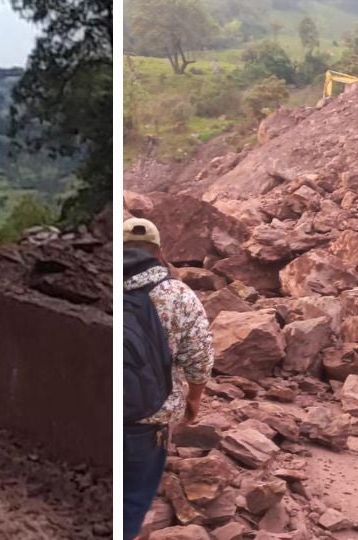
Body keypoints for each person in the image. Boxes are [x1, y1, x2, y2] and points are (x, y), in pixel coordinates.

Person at [122, 217, 214, 540]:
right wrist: (194, 399)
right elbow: (200, 357)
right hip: (146, 424)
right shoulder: (176, 295)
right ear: (159, 253)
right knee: (129, 505)